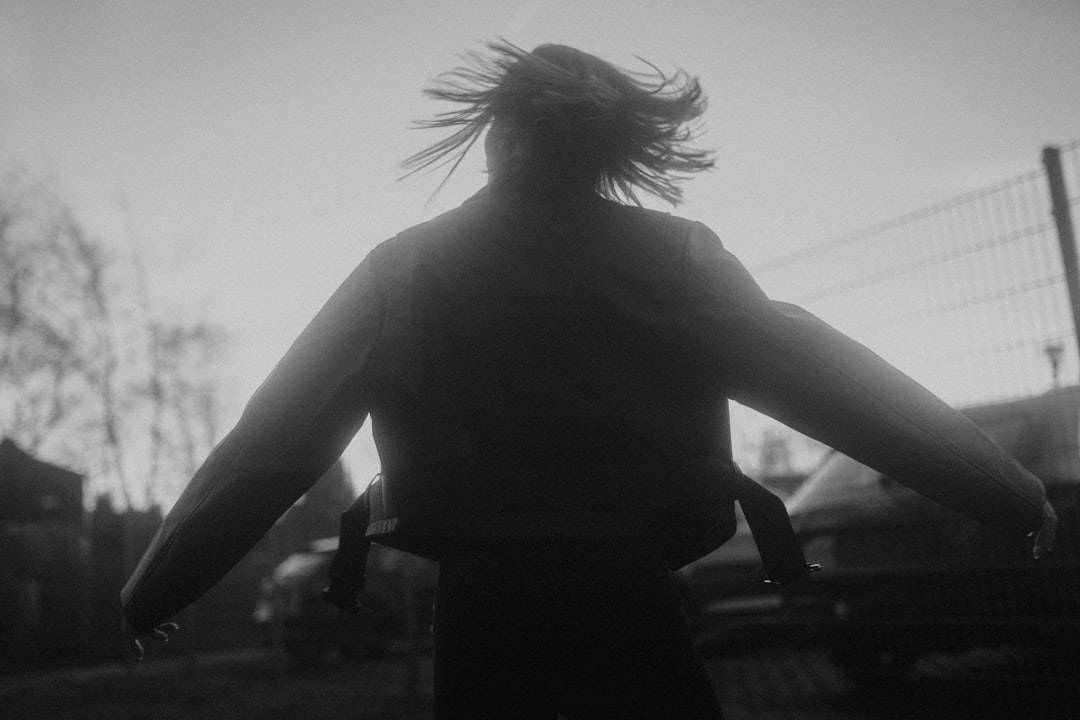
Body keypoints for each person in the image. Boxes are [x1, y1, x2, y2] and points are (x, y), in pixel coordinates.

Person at [122, 42, 1056, 718]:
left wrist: (155, 590)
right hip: (632, 586)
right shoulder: (677, 258)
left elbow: (273, 442)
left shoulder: (405, 270)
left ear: (495, 139)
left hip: (484, 601)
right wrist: (1008, 493)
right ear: (615, 147)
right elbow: (835, 383)